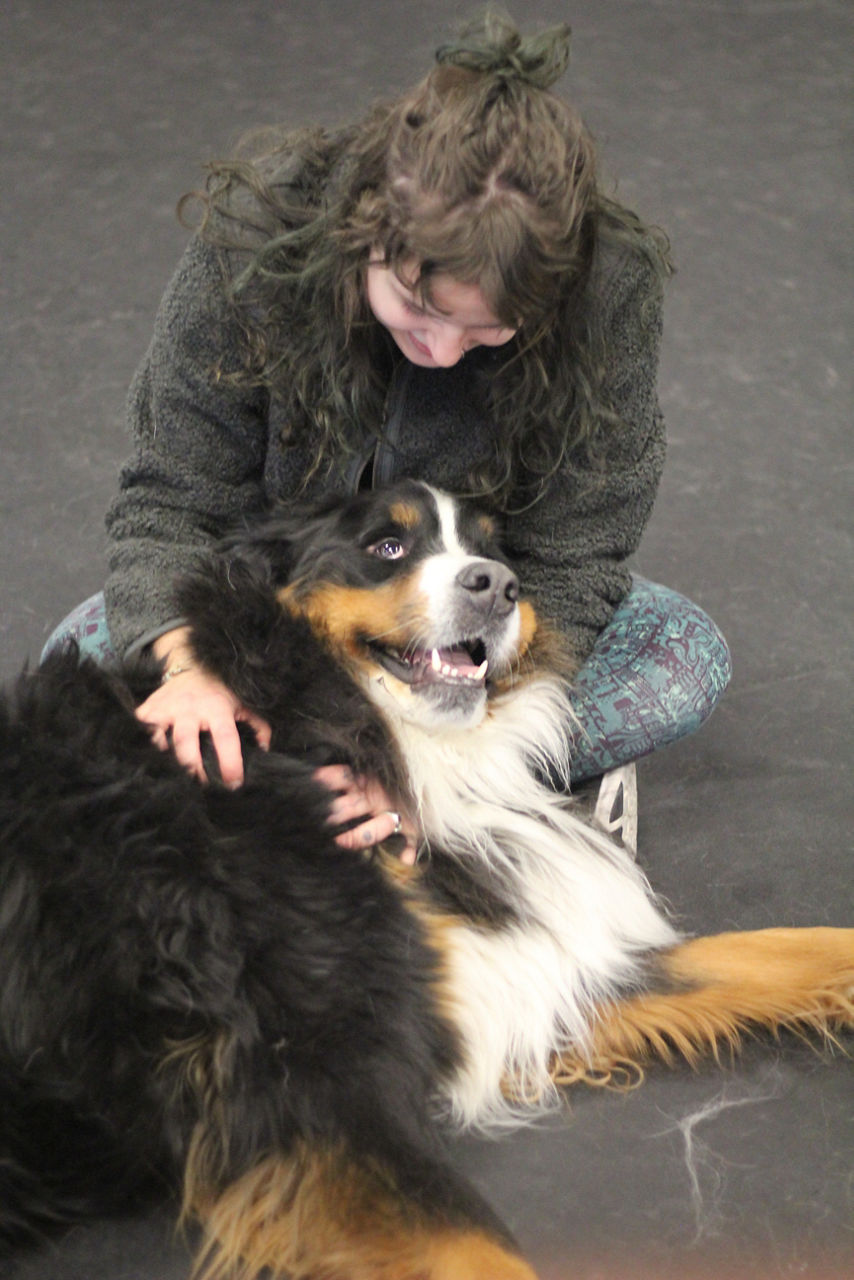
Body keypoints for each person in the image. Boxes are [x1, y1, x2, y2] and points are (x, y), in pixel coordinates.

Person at [43, 13, 731, 860]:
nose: (442, 351)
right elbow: (172, 500)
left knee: (686, 653)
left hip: (465, 612)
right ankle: (402, 787)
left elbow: (577, 553)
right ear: (368, 229)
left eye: (485, 334)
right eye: (419, 309)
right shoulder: (249, 246)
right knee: (76, 654)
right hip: (288, 604)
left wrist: (412, 774)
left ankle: (427, 792)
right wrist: (190, 665)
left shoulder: (610, 291)